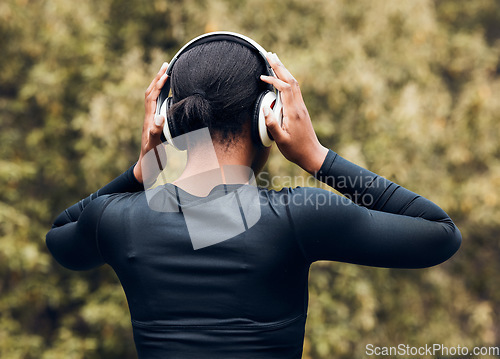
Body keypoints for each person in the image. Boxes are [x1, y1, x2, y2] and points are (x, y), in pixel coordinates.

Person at [46, 35, 462, 359]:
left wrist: (144, 168)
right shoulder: (297, 217)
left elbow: (61, 238)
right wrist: (316, 156)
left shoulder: (116, 221)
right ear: (267, 120)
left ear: (168, 125)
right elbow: (439, 233)